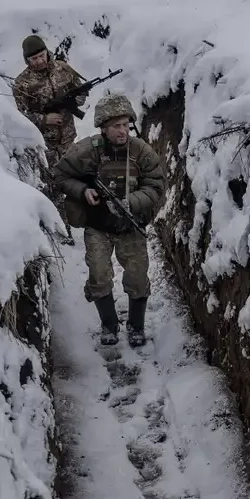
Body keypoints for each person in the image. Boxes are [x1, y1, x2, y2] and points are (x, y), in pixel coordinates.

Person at [53, 92, 165, 347]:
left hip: (130, 226)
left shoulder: (141, 152)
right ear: (103, 127)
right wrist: (83, 191)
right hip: (98, 227)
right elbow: (60, 176)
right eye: (116, 126)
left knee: (137, 278)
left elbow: (156, 185)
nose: (122, 131)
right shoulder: (86, 151)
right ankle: (109, 325)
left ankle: (136, 327)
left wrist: (131, 203)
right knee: (99, 276)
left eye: (126, 125)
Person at [11, 34, 88, 245]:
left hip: (68, 138)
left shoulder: (63, 68)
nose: (39, 61)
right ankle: (62, 232)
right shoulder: (22, 84)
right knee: (54, 185)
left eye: (42, 55)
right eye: (34, 58)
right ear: (27, 60)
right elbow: (19, 117)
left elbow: (80, 89)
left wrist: (77, 98)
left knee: (73, 177)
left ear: (47, 52)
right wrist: (44, 119)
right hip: (45, 144)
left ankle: (79, 217)